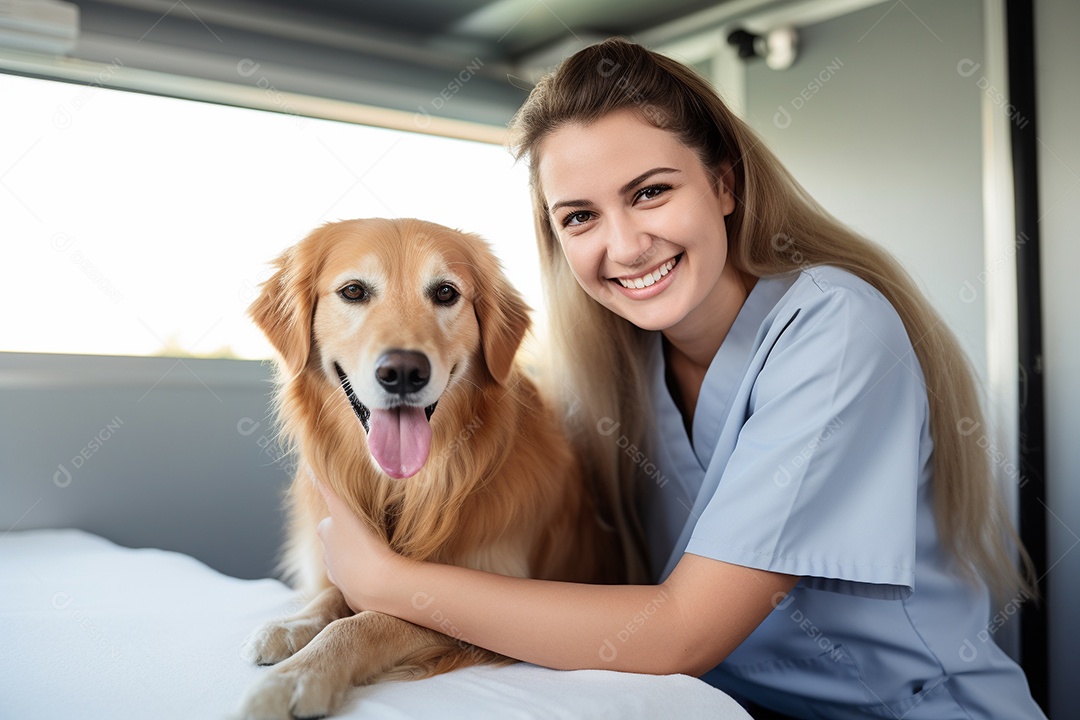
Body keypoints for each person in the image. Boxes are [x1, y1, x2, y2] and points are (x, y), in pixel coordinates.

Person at [314, 38, 1046, 719]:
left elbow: (680, 634)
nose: (626, 246)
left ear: (724, 183)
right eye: (580, 217)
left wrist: (382, 582)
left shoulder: (835, 328)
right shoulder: (607, 370)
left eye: (651, 192)